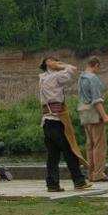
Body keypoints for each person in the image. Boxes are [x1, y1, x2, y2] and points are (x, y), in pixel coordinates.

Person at [39, 56, 92, 192]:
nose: (57, 63)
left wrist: (54, 65)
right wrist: (60, 65)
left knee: (53, 156)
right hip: (57, 120)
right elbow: (72, 69)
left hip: (47, 122)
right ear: (48, 65)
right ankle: (79, 181)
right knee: (70, 151)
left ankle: (52, 185)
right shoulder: (55, 77)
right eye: (54, 61)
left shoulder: (42, 78)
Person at [78, 56, 108, 182]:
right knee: (99, 145)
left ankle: (91, 174)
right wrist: (105, 116)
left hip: (84, 114)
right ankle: (99, 174)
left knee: (90, 145)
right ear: (96, 65)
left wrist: (100, 98)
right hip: (94, 115)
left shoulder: (81, 78)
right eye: (99, 67)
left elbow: (86, 98)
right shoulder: (93, 78)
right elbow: (96, 101)